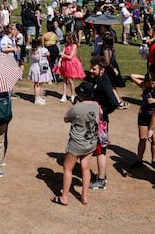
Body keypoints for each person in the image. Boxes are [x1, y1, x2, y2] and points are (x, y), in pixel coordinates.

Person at [51, 81, 99, 206]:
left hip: (77, 143)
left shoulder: (77, 108)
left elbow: (66, 118)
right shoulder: (96, 105)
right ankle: (84, 196)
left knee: (67, 168)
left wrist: (72, 106)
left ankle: (64, 197)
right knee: (86, 168)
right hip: (90, 141)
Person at [86, 56, 119, 190]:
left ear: (102, 70)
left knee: (100, 150)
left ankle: (101, 180)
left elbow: (114, 103)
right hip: (95, 121)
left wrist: (103, 112)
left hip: (100, 123)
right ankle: (100, 176)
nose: (91, 71)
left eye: (94, 69)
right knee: (98, 149)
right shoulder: (98, 79)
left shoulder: (104, 82)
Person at [129, 72, 155, 169]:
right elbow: (132, 76)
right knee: (142, 139)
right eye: (149, 83)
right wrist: (145, 78)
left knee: (154, 140)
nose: (151, 85)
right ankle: (139, 160)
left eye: (153, 83)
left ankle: (154, 161)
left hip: (154, 117)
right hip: (143, 115)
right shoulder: (144, 86)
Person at [57, 32, 85, 103]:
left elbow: (70, 57)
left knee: (70, 80)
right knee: (64, 80)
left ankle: (72, 95)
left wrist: (63, 54)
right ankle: (64, 95)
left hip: (71, 64)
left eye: (67, 37)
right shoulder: (66, 45)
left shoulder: (74, 46)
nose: (66, 38)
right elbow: (62, 54)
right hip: (64, 63)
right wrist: (59, 61)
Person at [28, 38, 52, 105]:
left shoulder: (32, 50)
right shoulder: (43, 49)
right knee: (38, 84)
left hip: (34, 66)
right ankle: (37, 98)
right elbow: (48, 54)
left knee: (37, 83)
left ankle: (37, 97)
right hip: (40, 67)